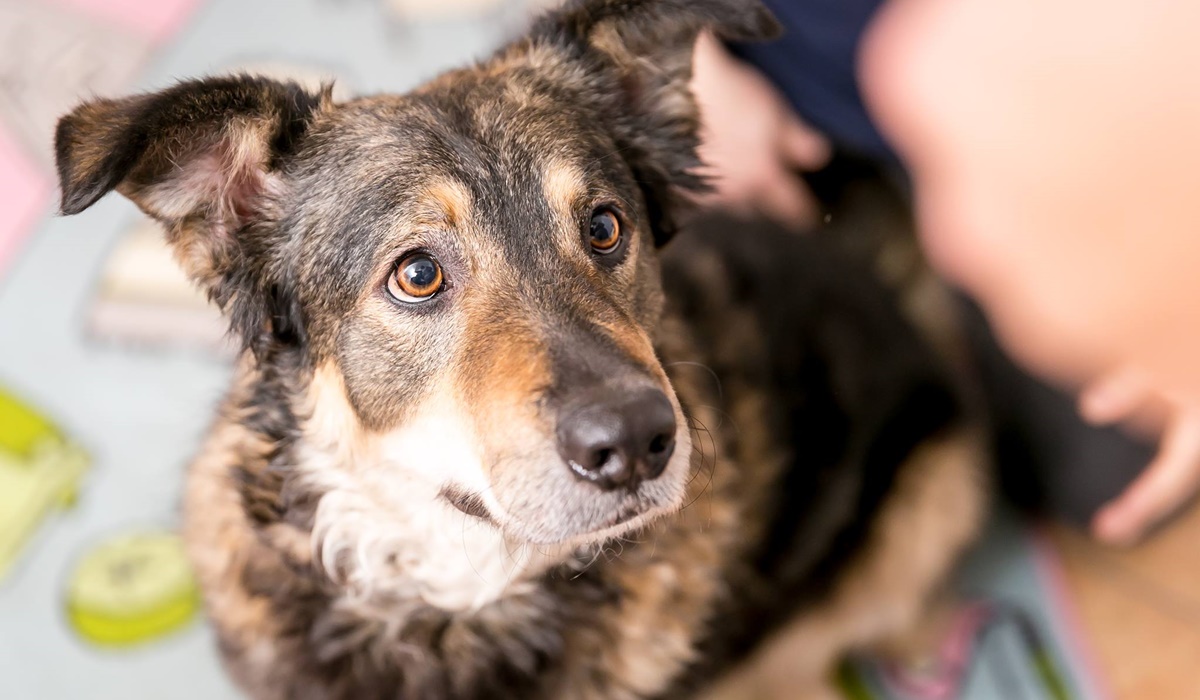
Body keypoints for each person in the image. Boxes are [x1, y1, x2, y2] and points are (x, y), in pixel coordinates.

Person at [690, 0, 1200, 545]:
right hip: (751, 66)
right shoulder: (937, 71)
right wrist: (691, 64)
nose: (954, 243)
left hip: (1066, 112)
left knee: (1110, 472)